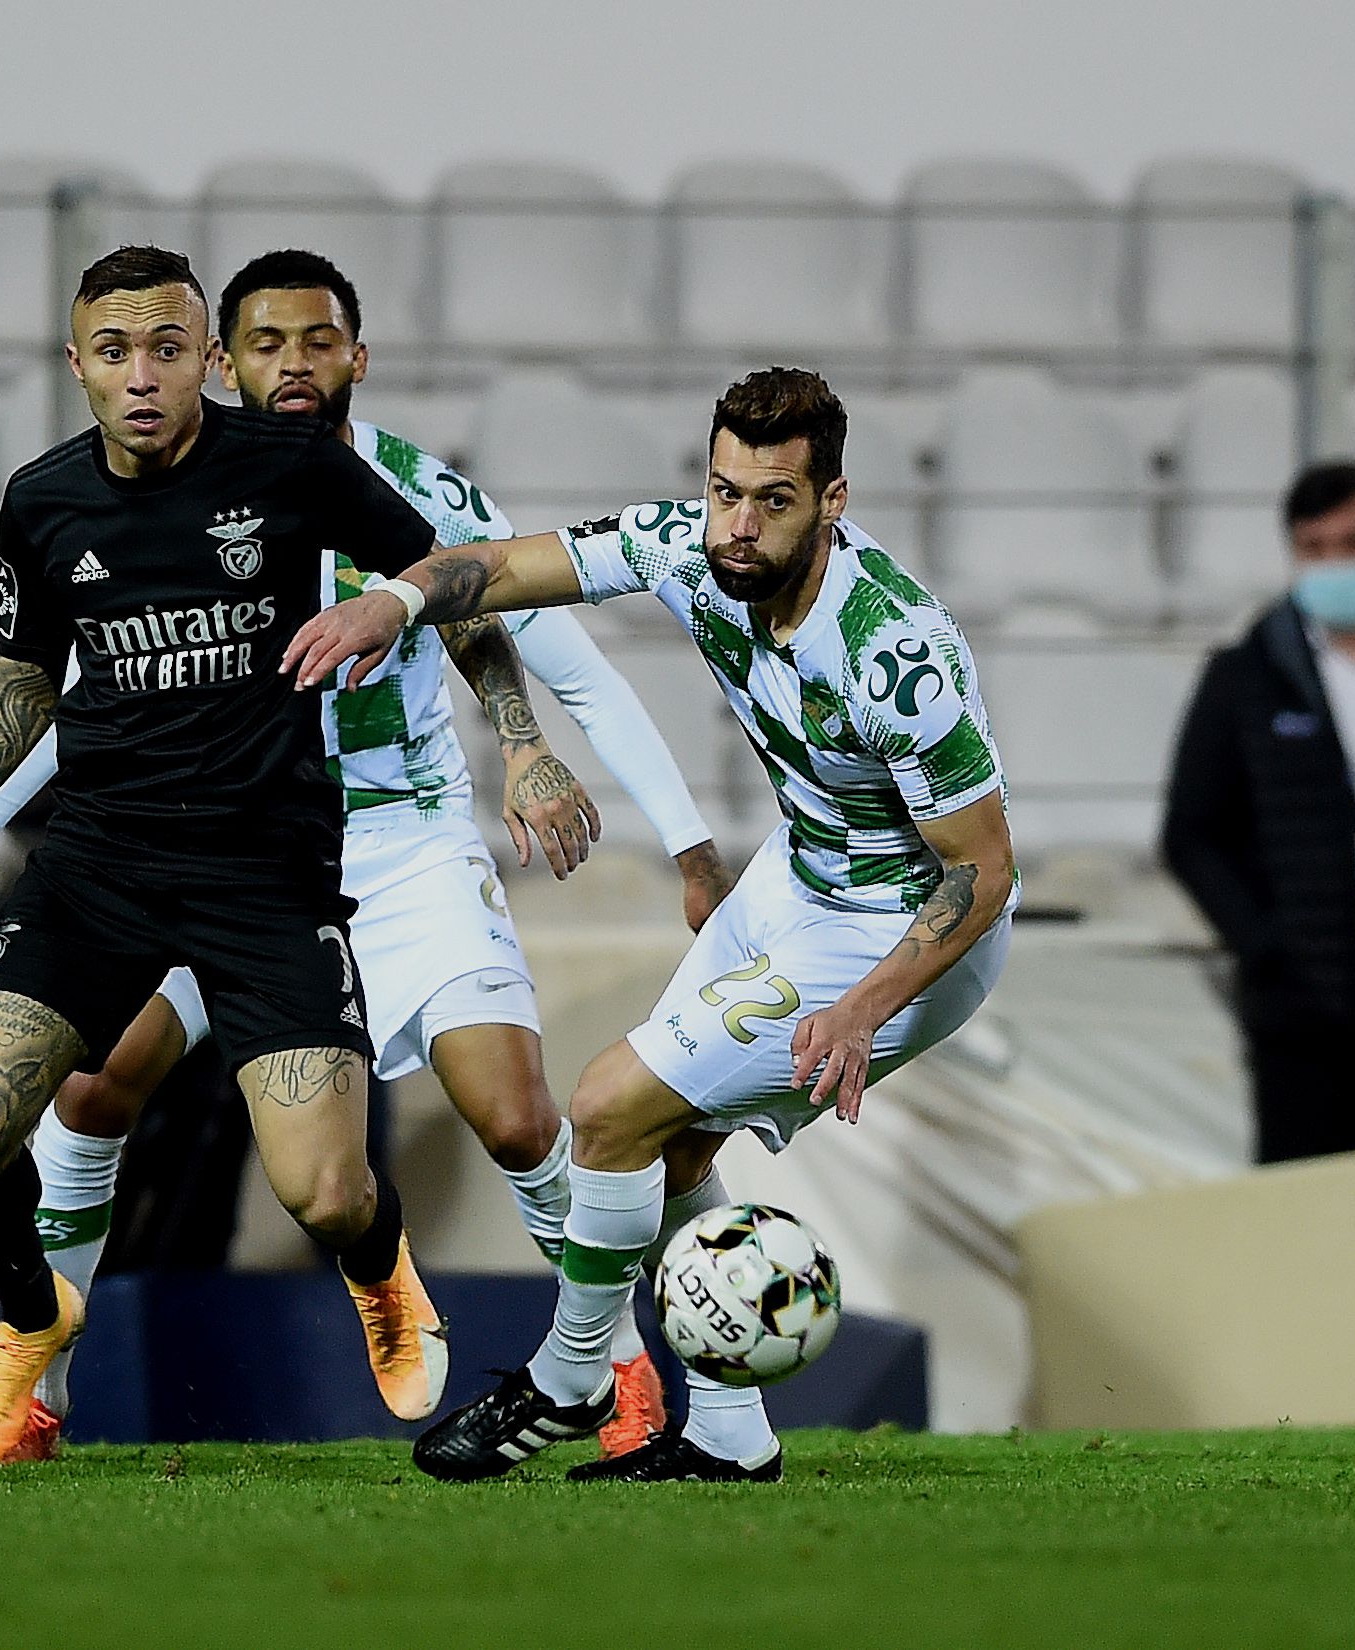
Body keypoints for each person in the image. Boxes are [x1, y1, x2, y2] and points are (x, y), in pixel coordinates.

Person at [0, 248, 735, 1460]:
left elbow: (503, 614)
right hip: (187, 839)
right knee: (89, 1087)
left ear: (354, 358)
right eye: (265, 344)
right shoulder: (95, 497)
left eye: (315, 342)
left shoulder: (392, 486)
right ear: (230, 360)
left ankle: (615, 1364)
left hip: (389, 840)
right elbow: (69, 692)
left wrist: (568, 768)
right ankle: (43, 1386)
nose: (292, 364)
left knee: (511, 1115)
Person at [286, 367, 1017, 1483]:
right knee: (670, 1143)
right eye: (726, 491)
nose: (738, 526)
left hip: (899, 930)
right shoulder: (692, 547)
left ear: (833, 501)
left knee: (607, 1107)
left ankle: (573, 1378)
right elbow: (505, 568)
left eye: (773, 501)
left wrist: (864, 1008)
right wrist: (391, 601)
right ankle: (729, 1437)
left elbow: (984, 871)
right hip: (801, 877)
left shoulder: (893, 652)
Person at [0, 245, 452, 1473]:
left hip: (264, 871)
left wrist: (386, 605)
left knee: (325, 1194)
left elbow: (445, 563)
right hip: (98, 865)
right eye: (115, 353)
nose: (142, 378)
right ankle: (33, 1321)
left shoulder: (292, 469)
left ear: (210, 363)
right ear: (78, 364)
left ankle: (380, 1268)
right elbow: (24, 682)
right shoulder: (41, 500)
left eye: (168, 351)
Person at [1163, 462, 1355, 1164]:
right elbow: (1191, 833)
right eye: (1314, 548)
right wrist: (1266, 941)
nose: (1333, 565)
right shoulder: (1245, 676)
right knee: (1307, 1210)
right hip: (1305, 1007)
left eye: (1352, 544)